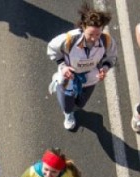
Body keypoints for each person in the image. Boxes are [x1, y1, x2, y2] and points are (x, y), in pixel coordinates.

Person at [47, 2, 118, 131]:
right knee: (67, 106)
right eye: (91, 34)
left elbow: (112, 57)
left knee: (81, 104)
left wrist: (105, 68)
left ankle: (72, 108)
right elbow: (52, 49)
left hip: (90, 78)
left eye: (98, 34)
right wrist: (63, 67)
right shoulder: (69, 39)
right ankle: (67, 113)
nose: (94, 38)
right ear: (83, 27)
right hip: (69, 77)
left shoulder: (106, 41)